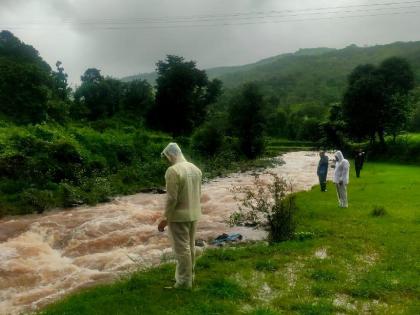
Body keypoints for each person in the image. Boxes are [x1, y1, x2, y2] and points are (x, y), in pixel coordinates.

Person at [158, 143, 202, 289]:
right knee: (190, 246)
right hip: (194, 213)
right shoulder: (195, 169)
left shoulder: (173, 170)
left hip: (178, 216)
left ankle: (184, 282)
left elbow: (172, 198)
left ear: (171, 155)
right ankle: (188, 277)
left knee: (182, 250)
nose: (167, 160)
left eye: (166, 157)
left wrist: (165, 218)